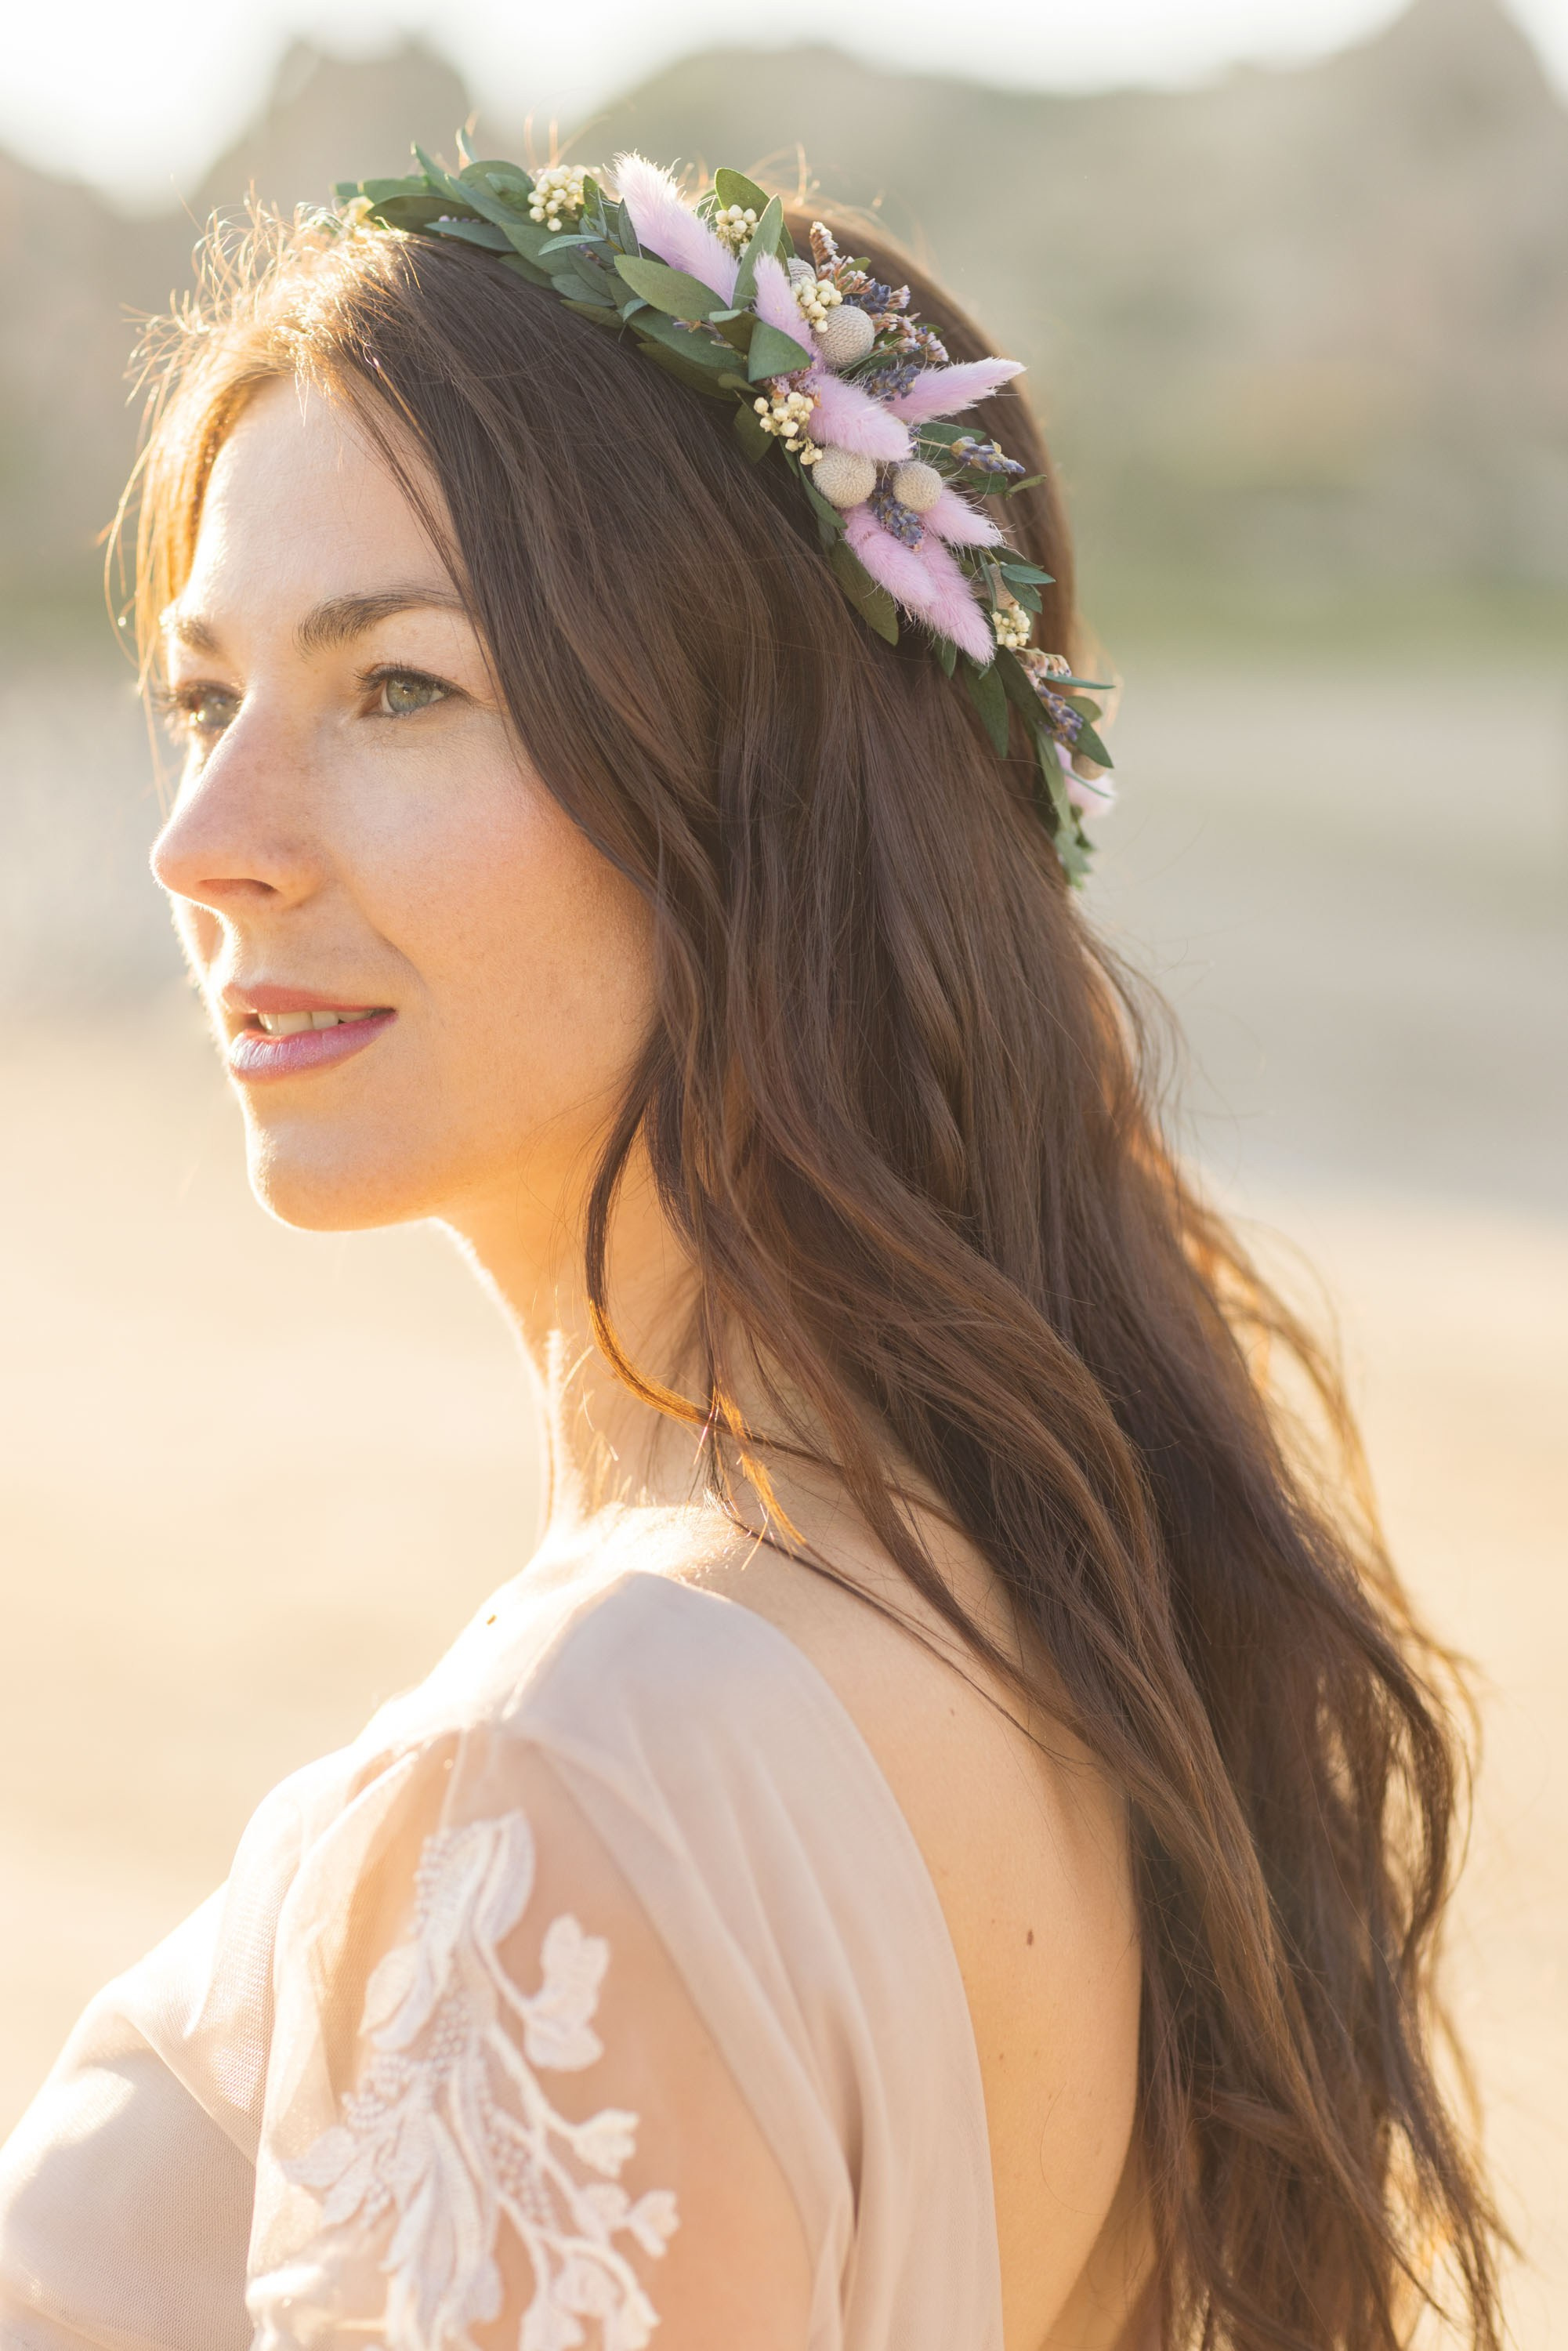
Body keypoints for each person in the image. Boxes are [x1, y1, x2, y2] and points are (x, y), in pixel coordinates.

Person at [0, 149, 1502, 2351]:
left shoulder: (583, 1769)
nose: (204, 844)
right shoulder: (1045, 1608)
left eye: (395, 689)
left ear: (757, 779)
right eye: (206, 695)